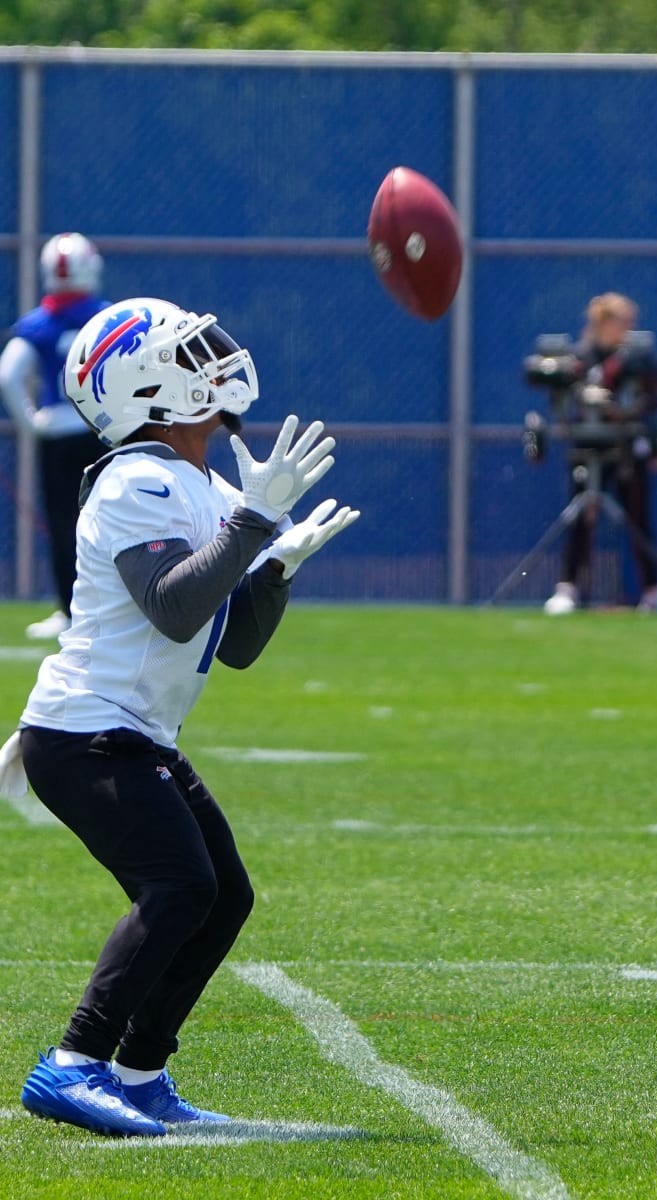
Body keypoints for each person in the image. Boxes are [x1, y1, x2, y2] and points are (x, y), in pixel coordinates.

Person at [1, 296, 358, 1137]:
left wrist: (274, 570)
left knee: (222, 895)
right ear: (148, 387)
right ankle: (73, 1065)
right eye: (191, 356)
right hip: (84, 734)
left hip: (132, 733)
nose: (216, 365)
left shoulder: (199, 481)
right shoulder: (139, 479)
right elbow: (170, 605)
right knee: (179, 884)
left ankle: (138, 1074)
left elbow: (231, 644)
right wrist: (254, 524)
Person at [0, 233, 110, 639]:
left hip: (59, 434)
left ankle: (71, 611)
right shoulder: (108, 319)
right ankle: (118, 607)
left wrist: (32, 423)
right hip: (106, 431)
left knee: (65, 525)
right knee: (114, 519)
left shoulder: (39, 324)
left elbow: (8, 375)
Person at [542, 292, 657, 615]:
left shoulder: (635, 357)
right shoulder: (581, 357)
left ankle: (653, 589)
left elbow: (652, 389)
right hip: (588, 446)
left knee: (639, 518)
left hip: (624, 447)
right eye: (621, 321)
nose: (627, 328)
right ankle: (568, 586)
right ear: (602, 322)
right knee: (581, 518)